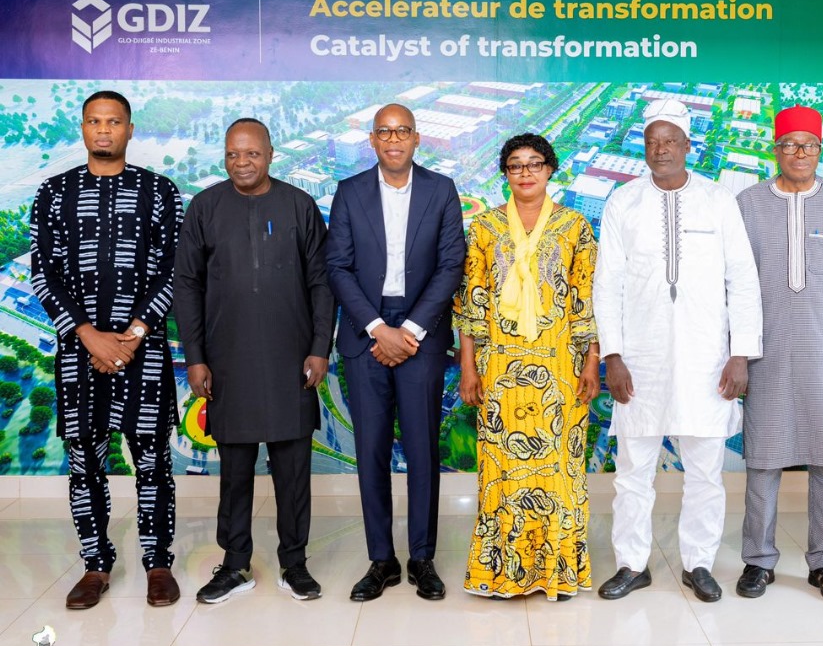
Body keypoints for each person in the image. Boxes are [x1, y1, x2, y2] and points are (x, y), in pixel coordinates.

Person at [593, 99, 763, 602]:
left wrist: (741, 353)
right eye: (652, 141)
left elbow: (743, 279)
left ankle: (699, 563)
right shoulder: (623, 202)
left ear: (689, 145)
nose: (661, 149)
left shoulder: (718, 200)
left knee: (705, 472)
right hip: (639, 359)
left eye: (670, 141)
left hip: (706, 357)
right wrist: (613, 356)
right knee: (633, 472)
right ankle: (632, 564)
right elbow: (607, 284)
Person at [30, 90, 183, 610]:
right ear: (82, 128)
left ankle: (158, 564)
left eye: (113, 121)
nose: (103, 130)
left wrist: (133, 335)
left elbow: (174, 270)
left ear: (129, 129)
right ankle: (95, 566)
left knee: (153, 462)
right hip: (80, 353)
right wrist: (87, 334)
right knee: (84, 464)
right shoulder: (54, 193)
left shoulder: (159, 191)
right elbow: (43, 273)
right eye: (94, 121)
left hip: (145, 350)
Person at [174, 118, 333, 603]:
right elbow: (187, 285)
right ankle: (234, 564)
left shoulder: (299, 206)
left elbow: (321, 282)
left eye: (251, 153)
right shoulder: (205, 207)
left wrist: (319, 348)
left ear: (270, 154)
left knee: (293, 471)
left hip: (291, 360)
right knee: (235, 472)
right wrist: (195, 357)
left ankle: (295, 563)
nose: (241, 163)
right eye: (232, 154)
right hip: (227, 362)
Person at [734, 105, 823, 603]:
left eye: (809, 145)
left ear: (820, 150)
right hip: (766, 351)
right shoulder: (748, 204)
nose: (799, 153)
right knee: (763, 459)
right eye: (790, 145)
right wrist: (736, 351)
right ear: (775, 150)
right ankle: (758, 561)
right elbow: (732, 282)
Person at [326, 103, 466, 601]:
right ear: (372, 139)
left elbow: (451, 264)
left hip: (420, 332)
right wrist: (376, 328)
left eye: (402, 130)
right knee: (371, 451)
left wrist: (407, 330)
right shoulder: (349, 192)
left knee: (423, 450)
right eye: (384, 132)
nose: (393, 139)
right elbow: (337, 266)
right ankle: (381, 560)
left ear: (416, 138)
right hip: (366, 332)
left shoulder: (441, 190)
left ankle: (422, 558)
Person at [455, 133, 600, 601]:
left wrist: (592, 361)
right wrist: (468, 367)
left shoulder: (575, 227)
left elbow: (586, 301)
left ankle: (556, 570)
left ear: (550, 169)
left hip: (561, 366)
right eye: (515, 165)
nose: (525, 173)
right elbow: (471, 304)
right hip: (499, 368)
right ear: (505, 174)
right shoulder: (484, 228)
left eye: (534, 163)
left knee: (559, 469)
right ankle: (501, 572)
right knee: (502, 467)